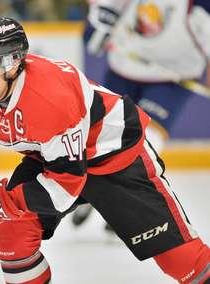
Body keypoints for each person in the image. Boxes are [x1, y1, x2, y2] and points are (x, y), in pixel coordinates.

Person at [0, 16, 210, 283]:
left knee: (184, 264)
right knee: (12, 233)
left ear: (13, 63)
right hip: (54, 158)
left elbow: (65, 186)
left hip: (116, 159)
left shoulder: (49, 98)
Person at [72, 0, 210, 228]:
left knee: (146, 141)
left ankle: (116, 199)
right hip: (123, 69)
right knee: (101, 136)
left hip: (172, 78)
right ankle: (90, 191)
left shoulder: (200, 6)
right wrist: (98, 31)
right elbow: (93, 36)